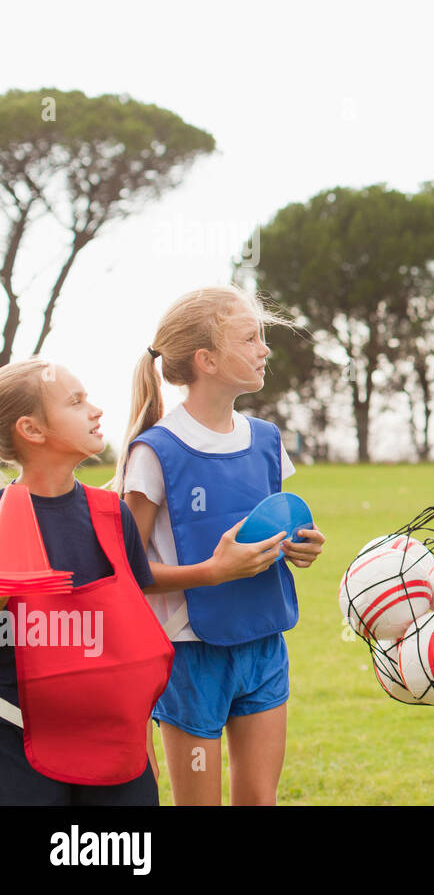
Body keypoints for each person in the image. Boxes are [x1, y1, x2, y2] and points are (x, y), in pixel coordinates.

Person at [115, 286, 325, 806]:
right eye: (250, 338)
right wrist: (211, 572)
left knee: (259, 799)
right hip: (192, 655)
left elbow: (268, 530)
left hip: (263, 643)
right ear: (206, 360)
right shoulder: (155, 451)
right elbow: (125, 569)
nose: (265, 349)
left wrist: (299, 547)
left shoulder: (268, 441)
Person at [0, 360, 172, 805]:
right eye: (76, 402)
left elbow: (130, 645)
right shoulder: (1, 518)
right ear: (31, 430)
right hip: (17, 740)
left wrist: (143, 743)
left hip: (114, 744)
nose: (95, 410)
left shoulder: (113, 516)